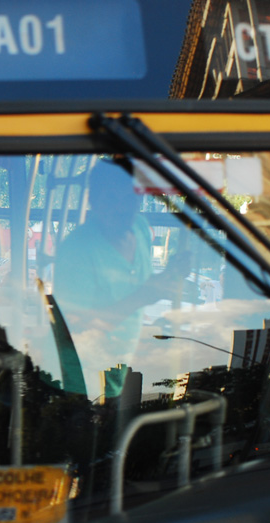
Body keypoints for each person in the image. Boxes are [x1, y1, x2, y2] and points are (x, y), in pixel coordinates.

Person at [53, 158, 190, 399]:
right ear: (93, 201)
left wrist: (170, 274)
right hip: (79, 382)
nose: (120, 208)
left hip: (116, 369)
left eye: (129, 198)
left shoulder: (140, 228)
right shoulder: (77, 250)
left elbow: (140, 287)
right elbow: (76, 328)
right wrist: (142, 297)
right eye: (110, 199)